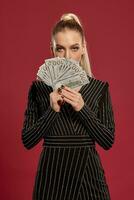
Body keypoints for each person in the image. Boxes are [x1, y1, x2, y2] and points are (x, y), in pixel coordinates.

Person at [21, 13, 115, 200]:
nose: (68, 56)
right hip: (50, 179)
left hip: (89, 178)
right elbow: (28, 141)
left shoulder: (99, 88)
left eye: (74, 48)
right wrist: (52, 111)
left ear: (83, 49)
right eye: (60, 49)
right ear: (52, 50)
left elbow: (107, 140)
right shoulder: (39, 89)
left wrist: (83, 108)